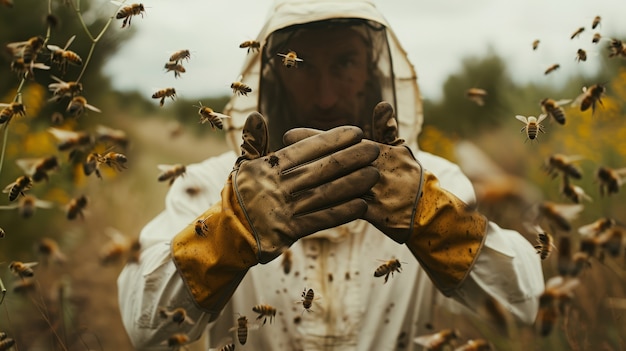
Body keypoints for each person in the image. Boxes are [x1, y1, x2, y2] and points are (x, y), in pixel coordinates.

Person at [118, 0, 545, 349]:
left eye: (344, 63)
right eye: (300, 66)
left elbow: (521, 305)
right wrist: (229, 232)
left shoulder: (430, 181)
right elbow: (145, 324)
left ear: (371, 72)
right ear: (274, 77)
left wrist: (434, 218)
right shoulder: (213, 187)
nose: (325, 96)